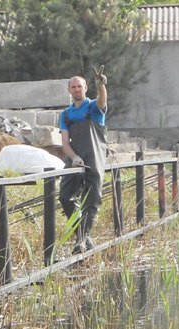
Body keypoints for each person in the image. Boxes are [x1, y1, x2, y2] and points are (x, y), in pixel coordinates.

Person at [59, 68, 108, 253]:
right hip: (75, 159)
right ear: (69, 90)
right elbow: (64, 142)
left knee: (92, 200)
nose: (77, 89)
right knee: (65, 197)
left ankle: (81, 240)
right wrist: (74, 157)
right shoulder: (65, 115)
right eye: (73, 87)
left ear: (86, 88)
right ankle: (82, 234)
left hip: (95, 158)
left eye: (80, 86)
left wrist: (101, 86)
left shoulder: (94, 108)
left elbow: (102, 101)